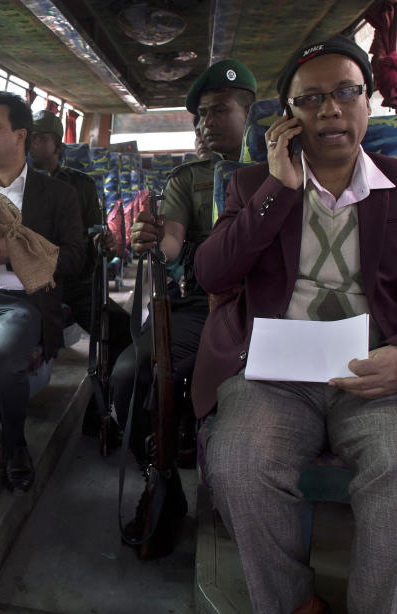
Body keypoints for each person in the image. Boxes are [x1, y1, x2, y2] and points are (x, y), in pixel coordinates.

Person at [193, 36, 397, 613]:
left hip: (378, 371)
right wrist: (278, 190)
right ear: (289, 117)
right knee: (239, 461)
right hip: (274, 376)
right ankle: (293, 604)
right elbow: (212, 273)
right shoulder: (251, 186)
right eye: (310, 99)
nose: (330, 109)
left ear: (368, 102)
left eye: (345, 92)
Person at [113, 60, 257, 549]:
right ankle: (164, 480)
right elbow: (172, 241)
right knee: (132, 376)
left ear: (251, 113)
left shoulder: (296, 169)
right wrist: (154, 239)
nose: (205, 123)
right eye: (199, 116)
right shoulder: (188, 179)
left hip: (274, 306)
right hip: (203, 303)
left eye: (218, 111)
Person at [0, 92, 85, 493]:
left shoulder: (58, 195)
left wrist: (15, 255)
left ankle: (15, 443)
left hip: (24, 301)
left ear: (20, 135)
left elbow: (75, 258)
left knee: (5, 352)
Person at [29, 111, 132, 416]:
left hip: (75, 282)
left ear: (57, 146)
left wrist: (104, 242)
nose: (33, 145)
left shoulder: (80, 185)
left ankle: (106, 406)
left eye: (40, 138)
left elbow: (94, 231)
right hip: (32, 283)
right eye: (28, 138)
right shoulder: (13, 183)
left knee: (123, 332)